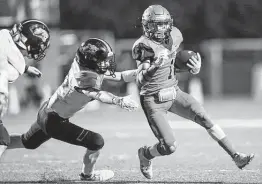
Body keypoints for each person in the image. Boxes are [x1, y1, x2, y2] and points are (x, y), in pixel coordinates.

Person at [132, 5, 254, 179]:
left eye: (163, 24)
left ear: (169, 24)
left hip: (173, 91)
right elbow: (140, 79)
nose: (160, 29)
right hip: (153, 100)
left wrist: (192, 68)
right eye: (155, 25)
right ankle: (145, 154)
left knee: (204, 117)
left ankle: (236, 156)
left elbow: (172, 64)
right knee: (169, 146)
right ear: (146, 26)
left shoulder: (175, 35)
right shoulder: (143, 46)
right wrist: (155, 65)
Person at [7, 38, 138, 182]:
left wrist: (144, 72)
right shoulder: (83, 77)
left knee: (27, 142)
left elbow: (120, 76)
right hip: (54, 121)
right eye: (102, 60)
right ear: (91, 61)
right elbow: (98, 94)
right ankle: (87, 176)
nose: (106, 63)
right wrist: (118, 100)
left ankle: (1, 142)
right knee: (96, 141)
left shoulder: (87, 66)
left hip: (47, 111)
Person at [0, 19, 50, 159]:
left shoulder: (6, 42)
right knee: (2, 141)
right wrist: (24, 68)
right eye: (39, 44)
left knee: (3, 139)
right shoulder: (4, 38)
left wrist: (26, 68)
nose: (39, 47)